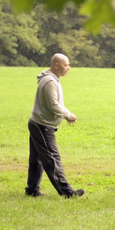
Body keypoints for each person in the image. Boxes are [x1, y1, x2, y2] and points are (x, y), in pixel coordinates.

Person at [25, 53, 85, 198]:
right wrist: (68, 115)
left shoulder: (51, 79)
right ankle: (67, 192)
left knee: (37, 159)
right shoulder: (49, 81)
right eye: (66, 65)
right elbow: (53, 105)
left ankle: (32, 190)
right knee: (52, 158)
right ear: (56, 65)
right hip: (42, 125)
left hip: (37, 123)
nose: (68, 68)